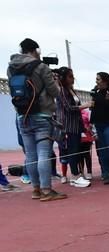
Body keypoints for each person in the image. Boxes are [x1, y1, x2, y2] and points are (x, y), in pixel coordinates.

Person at [7, 38, 65, 201]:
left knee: (30, 154)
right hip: (42, 114)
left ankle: (36, 189)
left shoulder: (11, 67)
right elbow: (55, 92)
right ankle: (47, 190)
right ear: (35, 50)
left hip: (22, 115)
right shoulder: (41, 67)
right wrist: (54, 81)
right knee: (43, 153)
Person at [55, 67, 90, 188]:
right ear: (63, 78)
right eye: (70, 76)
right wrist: (85, 106)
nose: (73, 78)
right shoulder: (62, 91)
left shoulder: (71, 90)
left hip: (76, 125)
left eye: (72, 75)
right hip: (67, 126)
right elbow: (68, 108)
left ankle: (76, 174)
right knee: (72, 151)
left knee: (76, 150)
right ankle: (74, 176)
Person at [79, 109, 95, 180]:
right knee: (80, 156)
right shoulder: (74, 112)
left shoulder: (86, 112)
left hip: (87, 135)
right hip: (77, 136)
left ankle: (89, 172)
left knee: (87, 154)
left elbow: (91, 122)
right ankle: (81, 172)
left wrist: (89, 127)